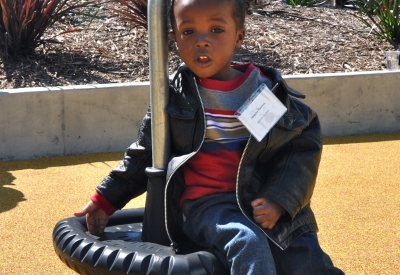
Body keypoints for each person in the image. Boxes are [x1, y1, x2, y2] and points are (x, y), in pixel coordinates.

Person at [75, 0, 345, 274]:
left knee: (303, 255)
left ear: (239, 36)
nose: (202, 42)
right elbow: (146, 152)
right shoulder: (176, 98)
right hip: (207, 203)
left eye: (216, 29)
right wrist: (105, 200)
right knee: (247, 241)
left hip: (260, 195)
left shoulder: (265, 93)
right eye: (188, 32)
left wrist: (279, 198)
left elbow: (298, 149)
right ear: (175, 40)